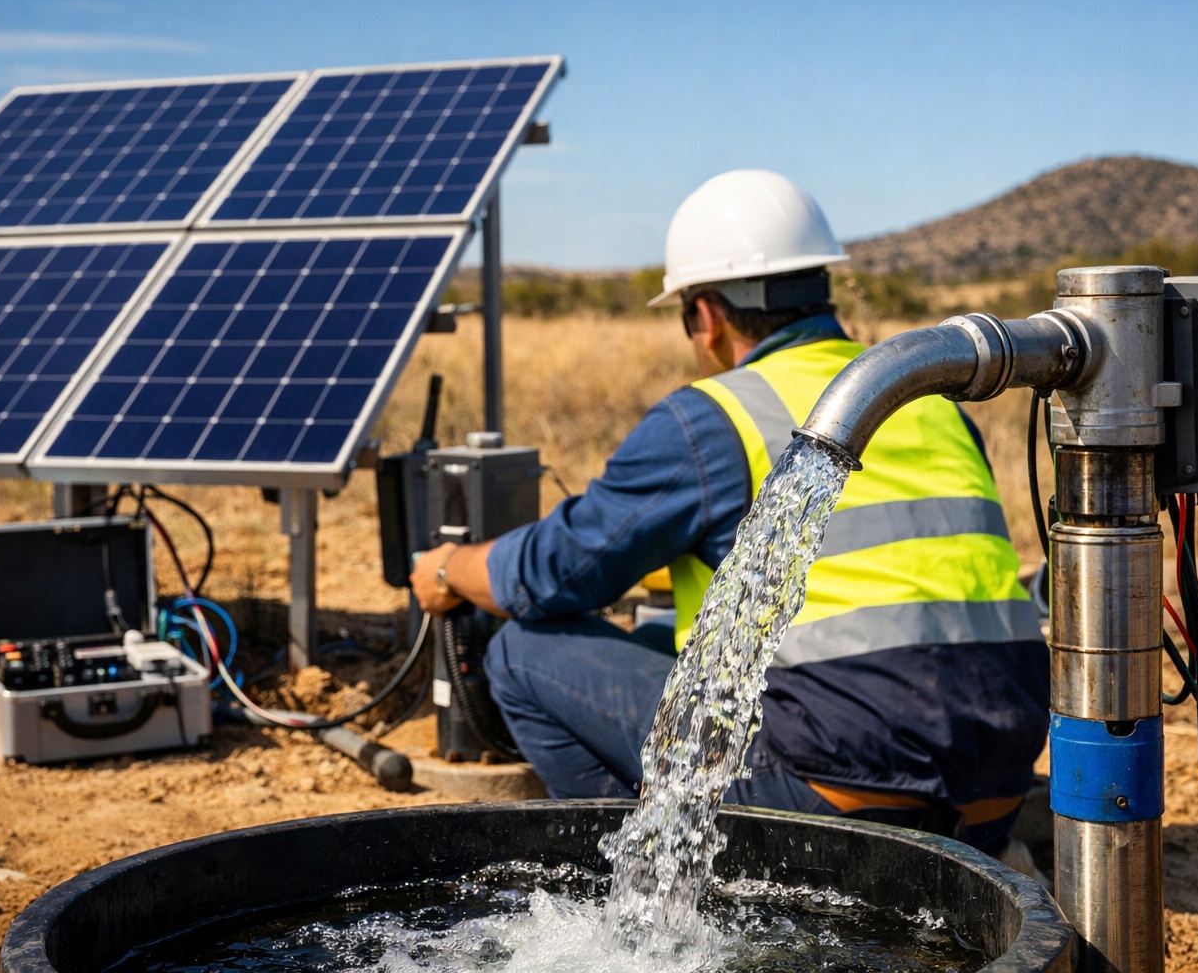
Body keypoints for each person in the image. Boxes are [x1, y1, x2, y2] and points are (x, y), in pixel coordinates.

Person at [410, 169, 1048, 857]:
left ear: (708, 314)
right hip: (992, 793)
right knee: (664, 639)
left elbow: (556, 574)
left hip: (831, 800)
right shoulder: (926, 398)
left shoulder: (712, 417)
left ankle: (647, 887)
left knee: (522, 653)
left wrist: (450, 569)